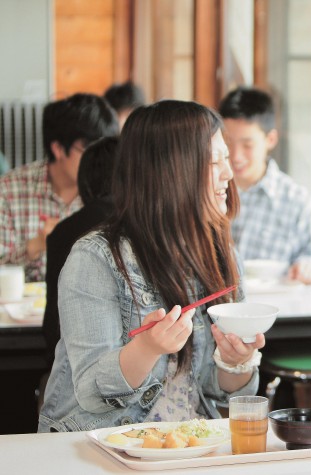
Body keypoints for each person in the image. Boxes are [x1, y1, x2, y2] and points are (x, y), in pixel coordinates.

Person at [38, 100, 264, 432]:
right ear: (170, 170)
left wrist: (235, 362)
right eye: (214, 161)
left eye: (226, 158)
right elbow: (91, 393)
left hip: (187, 444)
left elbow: (219, 392)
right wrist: (147, 348)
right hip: (98, 448)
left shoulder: (219, 251)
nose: (229, 174)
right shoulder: (95, 259)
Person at [0, 93, 119, 282]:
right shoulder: (9, 190)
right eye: (90, 151)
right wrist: (35, 245)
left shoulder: (113, 192)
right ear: (58, 148)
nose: (100, 161)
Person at [218, 86, 311, 284]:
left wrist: (307, 267)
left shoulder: (296, 200)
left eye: (247, 145)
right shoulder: (207, 193)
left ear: (271, 139)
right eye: (227, 143)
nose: (235, 155)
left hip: (277, 308)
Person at [43, 136, 120, 366]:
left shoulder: (63, 232)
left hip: (75, 371)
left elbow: (52, 327)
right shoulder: (149, 224)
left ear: (85, 183)